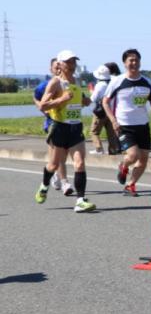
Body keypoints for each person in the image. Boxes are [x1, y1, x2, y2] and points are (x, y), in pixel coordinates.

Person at [34, 50, 95, 212]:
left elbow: (78, 99)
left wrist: (85, 101)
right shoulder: (55, 82)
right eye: (68, 62)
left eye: (74, 61)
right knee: (53, 165)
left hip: (75, 127)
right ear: (60, 65)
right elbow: (42, 106)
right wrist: (61, 99)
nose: (72, 65)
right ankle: (45, 184)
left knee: (80, 163)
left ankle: (80, 200)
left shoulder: (77, 80)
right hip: (59, 127)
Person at [104, 48, 151, 197]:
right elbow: (105, 102)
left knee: (143, 159)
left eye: (136, 60)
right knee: (133, 155)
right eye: (131, 60)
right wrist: (113, 121)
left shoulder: (146, 81)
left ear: (140, 62)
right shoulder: (118, 81)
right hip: (124, 124)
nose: (134, 63)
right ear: (124, 63)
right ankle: (124, 165)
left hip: (143, 124)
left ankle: (130, 185)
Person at [33, 57, 71, 195]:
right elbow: (36, 97)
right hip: (52, 123)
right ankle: (65, 182)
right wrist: (44, 109)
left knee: (62, 156)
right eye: (56, 67)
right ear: (51, 69)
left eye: (60, 66)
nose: (59, 69)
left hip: (68, 125)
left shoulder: (68, 83)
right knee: (58, 155)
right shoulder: (46, 85)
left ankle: (54, 174)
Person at [89, 63, 120, 155]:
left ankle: (99, 149)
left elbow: (93, 98)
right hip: (110, 111)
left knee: (94, 131)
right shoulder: (112, 83)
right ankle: (113, 149)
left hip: (100, 111)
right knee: (111, 133)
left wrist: (91, 90)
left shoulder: (100, 85)